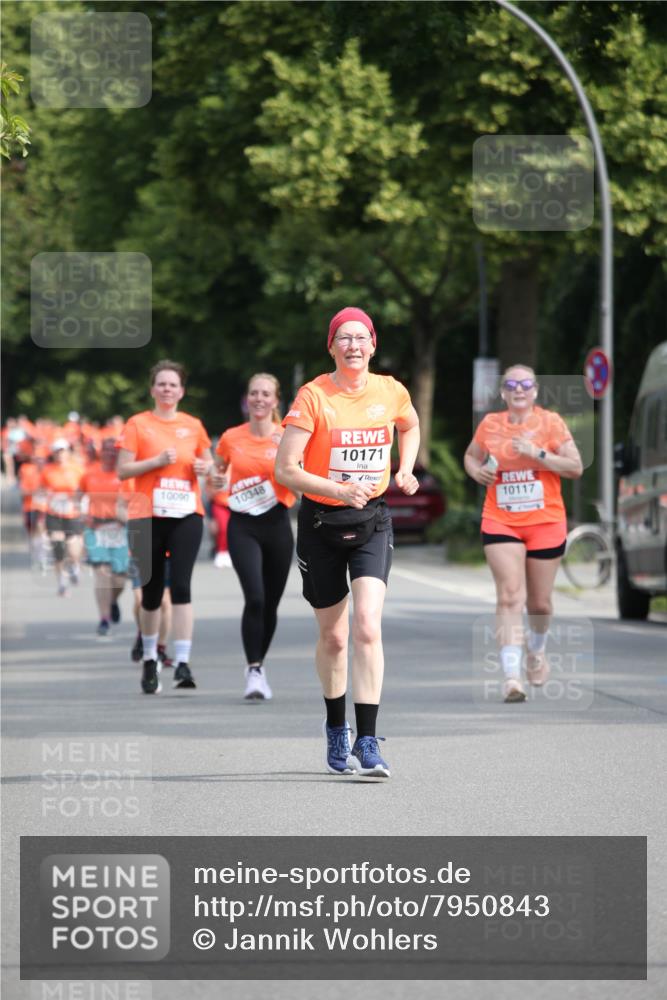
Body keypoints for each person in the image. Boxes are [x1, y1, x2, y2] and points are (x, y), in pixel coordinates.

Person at [275, 307, 420, 777]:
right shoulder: (314, 396)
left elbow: (410, 425)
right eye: (344, 338)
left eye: (361, 338)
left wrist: (405, 467)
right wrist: (337, 489)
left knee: (367, 627)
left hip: (373, 519)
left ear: (373, 345)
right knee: (335, 637)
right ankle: (336, 727)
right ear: (331, 347)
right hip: (321, 523)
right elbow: (285, 469)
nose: (353, 346)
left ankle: (369, 740)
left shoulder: (391, 390)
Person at [464, 364, 584, 703]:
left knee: (539, 603)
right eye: (512, 384)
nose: (519, 389)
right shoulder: (490, 424)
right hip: (500, 520)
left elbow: (574, 467)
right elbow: (471, 457)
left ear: (535, 390)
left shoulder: (551, 423)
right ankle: (512, 677)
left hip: (546, 521)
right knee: (509, 596)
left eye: (526, 384)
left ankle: (537, 649)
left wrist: (538, 454)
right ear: (503, 392)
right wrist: (476, 472)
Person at [117, 360, 213, 694]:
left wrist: (205, 467)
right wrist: (156, 462)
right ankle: (149, 659)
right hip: (146, 514)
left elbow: (210, 464)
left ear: (182, 391)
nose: (167, 389)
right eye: (162, 384)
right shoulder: (137, 424)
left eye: (173, 385)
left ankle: (183, 662)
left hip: (186, 513)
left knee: (182, 587)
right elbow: (123, 470)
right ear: (152, 389)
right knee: (152, 590)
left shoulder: (193, 425)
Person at [213, 374, 296, 700]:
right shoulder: (231, 438)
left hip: (277, 523)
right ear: (247, 400)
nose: (259, 399)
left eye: (266, 394)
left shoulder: (287, 436)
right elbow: (217, 476)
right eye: (254, 394)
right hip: (243, 524)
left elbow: (300, 474)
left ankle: (259, 664)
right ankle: (254, 668)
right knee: (256, 597)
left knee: (271, 604)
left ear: (276, 401)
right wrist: (214, 481)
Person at [80, 438, 130, 636]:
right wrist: (82, 514)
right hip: (96, 528)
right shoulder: (90, 474)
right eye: (107, 449)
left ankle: (112, 600)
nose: (110, 453)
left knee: (119, 578)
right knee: (102, 572)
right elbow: (77, 497)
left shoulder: (126, 476)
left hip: (119, 528)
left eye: (114, 450)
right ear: (101, 452)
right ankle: (104, 619)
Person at [41, 438, 85, 596]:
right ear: (53, 454)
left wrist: (81, 502)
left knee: (73, 549)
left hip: (72, 512)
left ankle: (75, 565)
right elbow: (41, 490)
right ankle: (62, 583)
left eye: (63, 451)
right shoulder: (47, 470)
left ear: (68, 452)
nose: (60, 454)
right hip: (54, 512)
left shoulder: (77, 469)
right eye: (57, 451)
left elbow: (85, 490)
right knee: (58, 547)